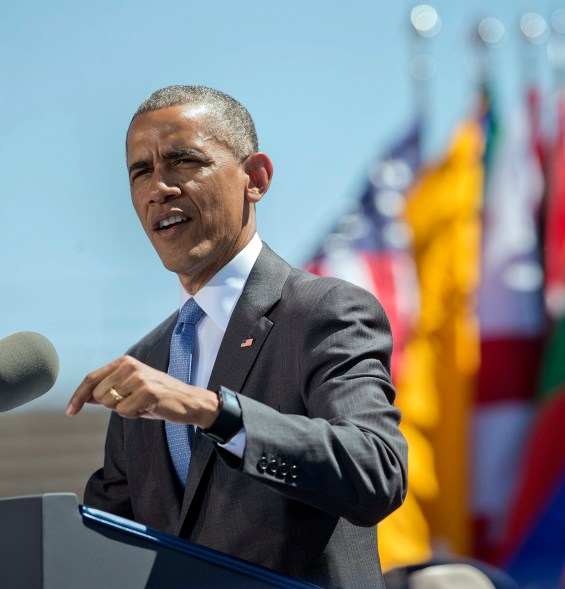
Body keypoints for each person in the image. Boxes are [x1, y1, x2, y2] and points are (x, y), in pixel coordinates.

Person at [66, 85, 409, 589]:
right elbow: (105, 546)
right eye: (141, 171)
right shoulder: (144, 362)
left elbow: (376, 471)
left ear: (256, 178)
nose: (159, 187)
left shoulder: (324, 311)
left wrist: (214, 411)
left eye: (183, 161)